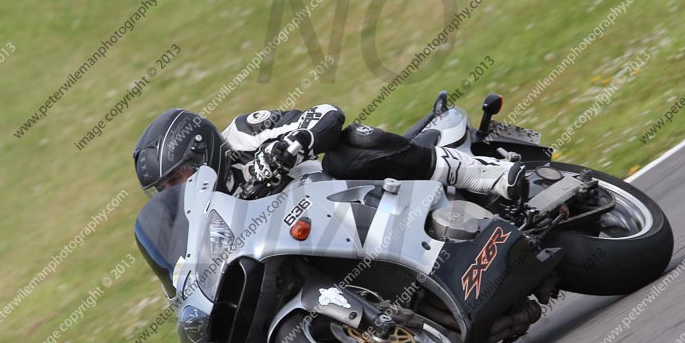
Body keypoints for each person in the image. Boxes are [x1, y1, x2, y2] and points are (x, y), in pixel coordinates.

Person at [132, 105, 525, 200]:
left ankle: (477, 173)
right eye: (163, 187)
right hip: (311, 240)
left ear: (202, 154)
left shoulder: (243, 134)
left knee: (347, 150)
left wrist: (294, 145)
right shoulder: (200, 221)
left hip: (345, 194)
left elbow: (326, 114)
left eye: (178, 176)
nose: (175, 190)